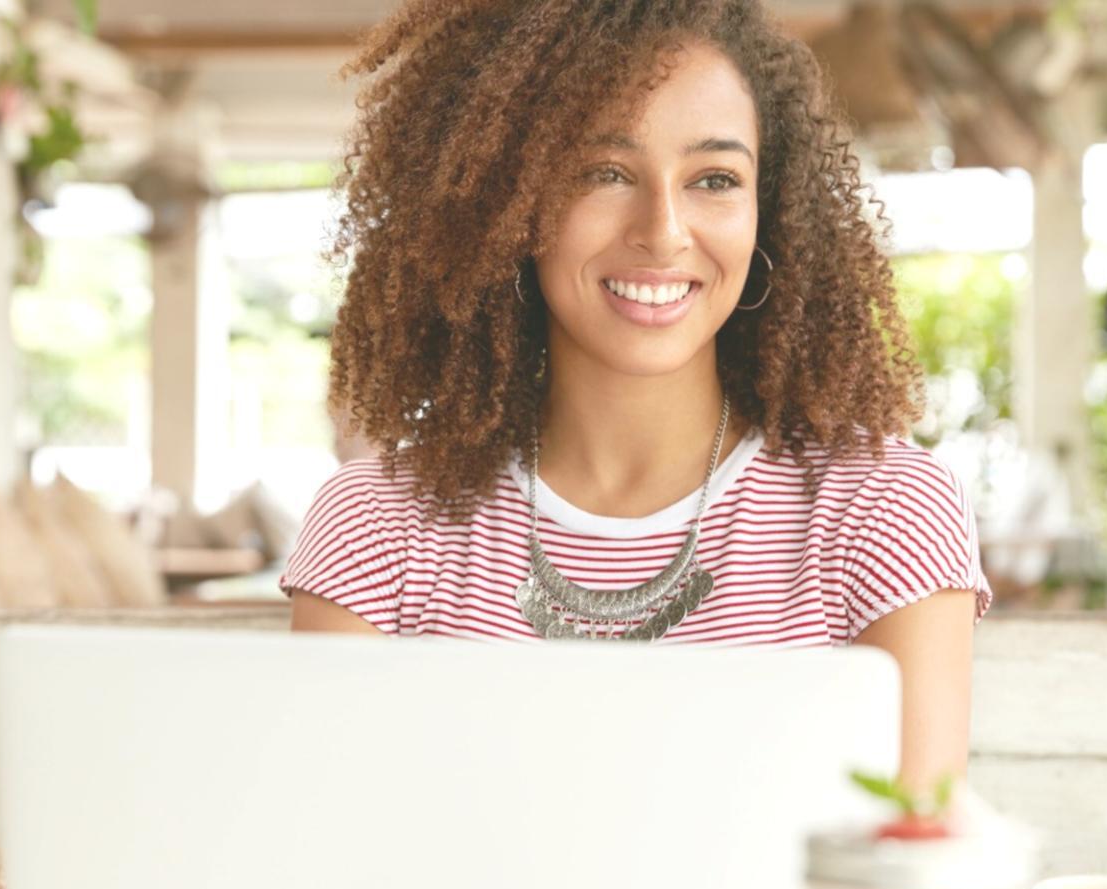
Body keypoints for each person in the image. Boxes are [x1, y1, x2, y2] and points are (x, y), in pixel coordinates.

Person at [281, 0, 991, 793]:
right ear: (507, 204)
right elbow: (330, 859)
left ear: (770, 211)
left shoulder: (880, 509)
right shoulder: (377, 527)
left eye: (714, 179)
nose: (662, 231)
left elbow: (913, 874)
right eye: (603, 173)